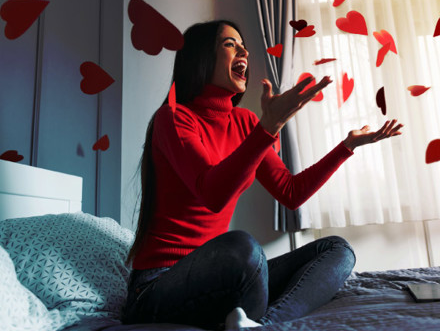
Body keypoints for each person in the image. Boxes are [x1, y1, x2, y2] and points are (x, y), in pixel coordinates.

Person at [122, 20, 403, 330]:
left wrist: (346, 146)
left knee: (336, 249)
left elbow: (291, 192)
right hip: (157, 286)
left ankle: (264, 324)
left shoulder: (244, 122)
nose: (244, 50)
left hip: (219, 278)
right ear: (201, 57)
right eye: (230, 44)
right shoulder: (174, 118)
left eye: (242, 44)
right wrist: (268, 128)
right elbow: (212, 194)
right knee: (244, 248)